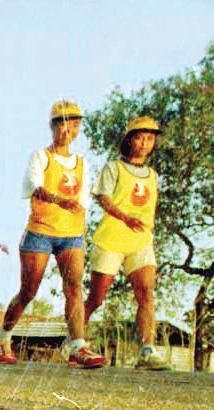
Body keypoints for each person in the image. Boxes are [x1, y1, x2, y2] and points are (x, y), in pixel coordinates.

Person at [0, 100, 105, 368]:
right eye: (63, 123)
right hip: (41, 232)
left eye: (74, 124)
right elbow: (35, 185)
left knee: (74, 288)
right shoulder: (41, 157)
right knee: (29, 291)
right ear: (53, 126)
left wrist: (82, 233)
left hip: (71, 235)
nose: (68, 129)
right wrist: (58, 200)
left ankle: (78, 346)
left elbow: (83, 202)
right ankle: (4, 336)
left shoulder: (82, 164)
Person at [84, 115, 169, 371]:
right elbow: (104, 199)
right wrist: (125, 218)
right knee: (97, 297)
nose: (145, 143)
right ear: (129, 139)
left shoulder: (153, 175)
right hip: (111, 239)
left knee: (145, 293)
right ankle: (74, 338)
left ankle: (147, 350)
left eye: (150, 138)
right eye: (140, 137)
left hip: (141, 241)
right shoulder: (114, 168)